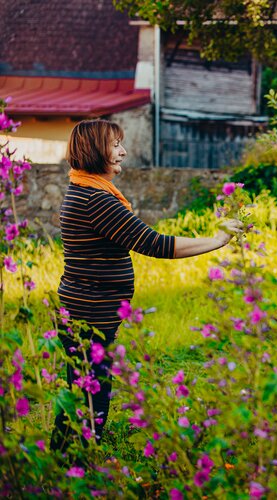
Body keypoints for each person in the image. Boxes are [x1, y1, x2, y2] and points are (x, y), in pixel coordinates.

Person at [51, 119, 241, 456]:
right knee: (90, 393)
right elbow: (154, 244)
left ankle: (70, 459)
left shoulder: (88, 191)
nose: (123, 151)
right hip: (90, 315)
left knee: (84, 389)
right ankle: (71, 463)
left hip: (87, 311)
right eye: (115, 145)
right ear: (95, 151)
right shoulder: (96, 200)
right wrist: (218, 240)